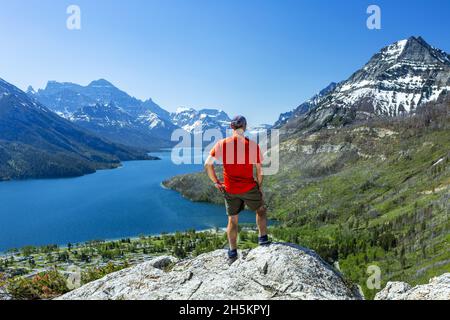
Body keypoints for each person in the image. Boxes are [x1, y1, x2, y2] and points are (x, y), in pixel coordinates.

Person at [204, 115, 270, 264]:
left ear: (231, 127)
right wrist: (259, 186)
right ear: (245, 127)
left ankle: (232, 253)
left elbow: (208, 164)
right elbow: (259, 170)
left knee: (232, 220)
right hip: (248, 187)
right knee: (260, 209)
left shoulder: (221, 144)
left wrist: (217, 182)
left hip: (230, 189)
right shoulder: (252, 145)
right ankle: (263, 240)